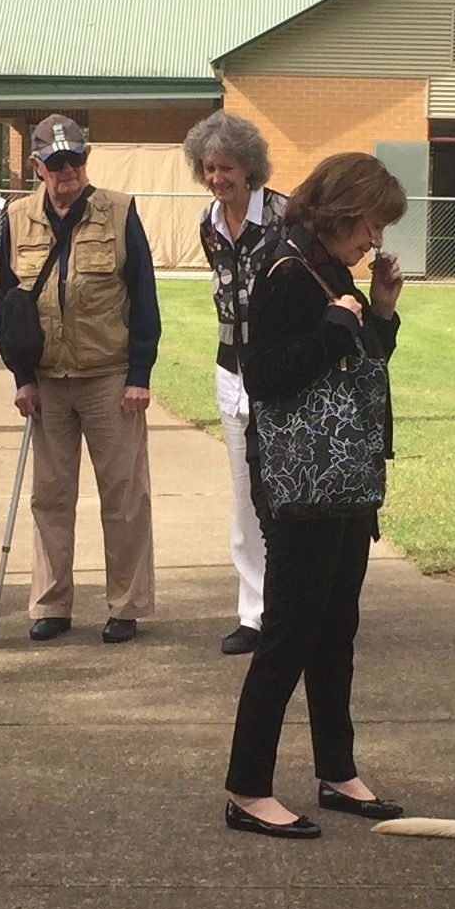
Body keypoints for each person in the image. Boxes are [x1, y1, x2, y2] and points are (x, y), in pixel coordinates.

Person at [222, 151, 408, 836]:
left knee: (336, 633)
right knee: (290, 634)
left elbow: (358, 365)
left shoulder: (331, 271)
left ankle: (337, 769)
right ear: (342, 209)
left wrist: (380, 313)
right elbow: (265, 378)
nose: (375, 241)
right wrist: (334, 326)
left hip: (346, 481)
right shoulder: (284, 270)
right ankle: (247, 788)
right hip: (302, 483)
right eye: (371, 225)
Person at [0, 114, 160, 643]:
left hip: (109, 377)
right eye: (55, 162)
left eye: (75, 160)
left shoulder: (119, 211)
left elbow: (144, 298)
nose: (67, 172)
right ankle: (50, 604)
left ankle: (126, 605)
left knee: (124, 495)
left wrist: (140, 374)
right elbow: (9, 306)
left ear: (85, 160)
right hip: (47, 381)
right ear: (37, 166)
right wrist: (22, 377)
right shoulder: (17, 218)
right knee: (50, 496)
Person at [185, 110, 285, 655]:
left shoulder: (287, 217)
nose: (218, 178)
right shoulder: (208, 223)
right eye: (209, 168)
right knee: (245, 497)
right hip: (232, 373)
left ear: (250, 168)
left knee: (284, 494)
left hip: (280, 373)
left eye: (227, 167)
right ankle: (253, 613)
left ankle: (290, 606)